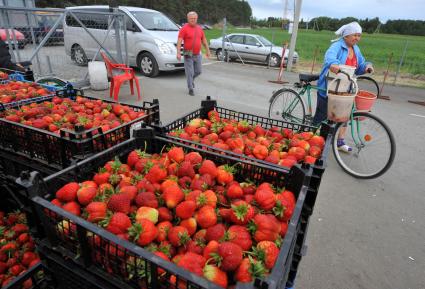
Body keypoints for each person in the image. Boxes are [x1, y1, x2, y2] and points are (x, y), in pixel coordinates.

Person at [313, 21, 374, 152]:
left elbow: (360, 66)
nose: (357, 38)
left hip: (345, 88)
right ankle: (311, 138)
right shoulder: (337, 46)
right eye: (355, 35)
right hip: (330, 86)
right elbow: (329, 57)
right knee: (322, 116)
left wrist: (367, 67)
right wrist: (334, 64)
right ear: (346, 36)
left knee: (344, 115)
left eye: (359, 35)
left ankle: (340, 142)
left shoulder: (356, 49)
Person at [177, 11, 210, 96]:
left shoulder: (199, 28)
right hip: (188, 54)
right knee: (189, 72)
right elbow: (179, 41)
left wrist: (207, 50)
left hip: (197, 54)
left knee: (198, 71)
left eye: (194, 18)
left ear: (197, 19)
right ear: (188, 19)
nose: (193, 20)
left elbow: (204, 40)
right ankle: (190, 88)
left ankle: (191, 81)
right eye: (191, 18)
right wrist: (178, 53)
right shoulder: (184, 28)